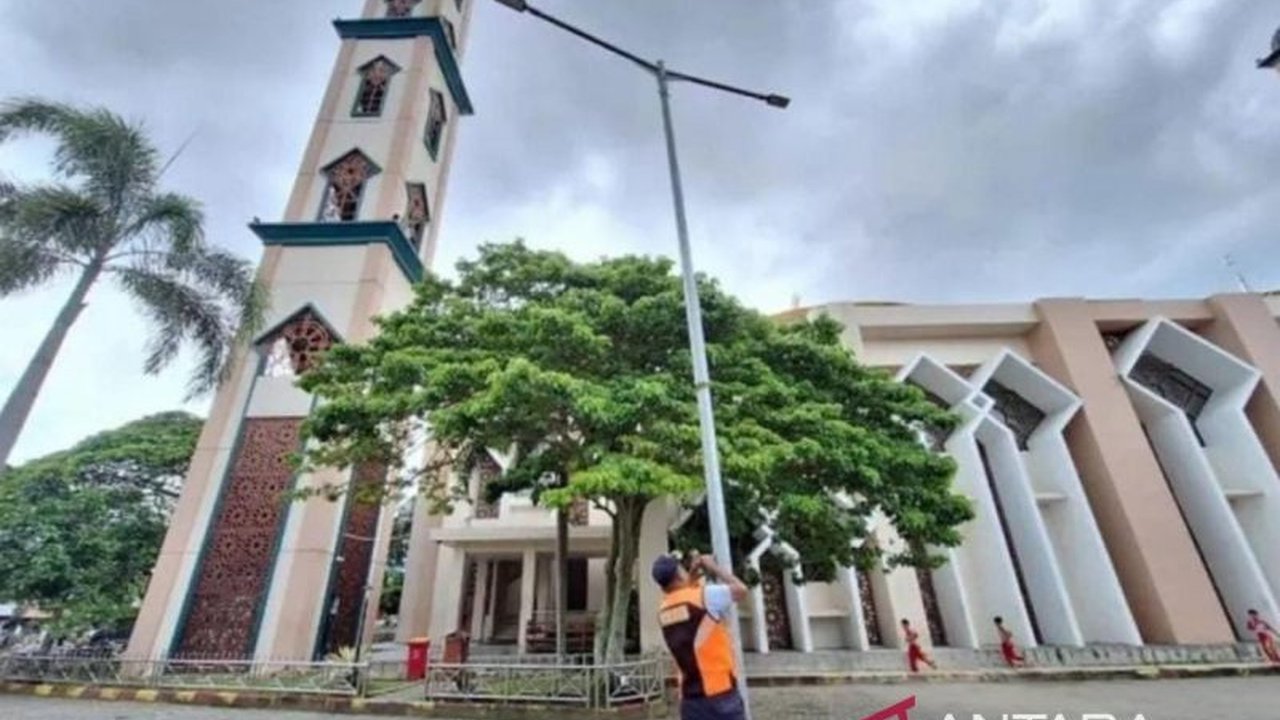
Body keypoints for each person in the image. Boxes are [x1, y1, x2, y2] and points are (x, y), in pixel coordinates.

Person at [652, 550, 749, 720]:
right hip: (719, 694)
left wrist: (691, 577)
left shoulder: (663, 610)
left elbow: (684, 599)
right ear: (678, 574)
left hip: (690, 701)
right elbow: (741, 590)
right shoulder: (705, 596)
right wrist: (713, 566)